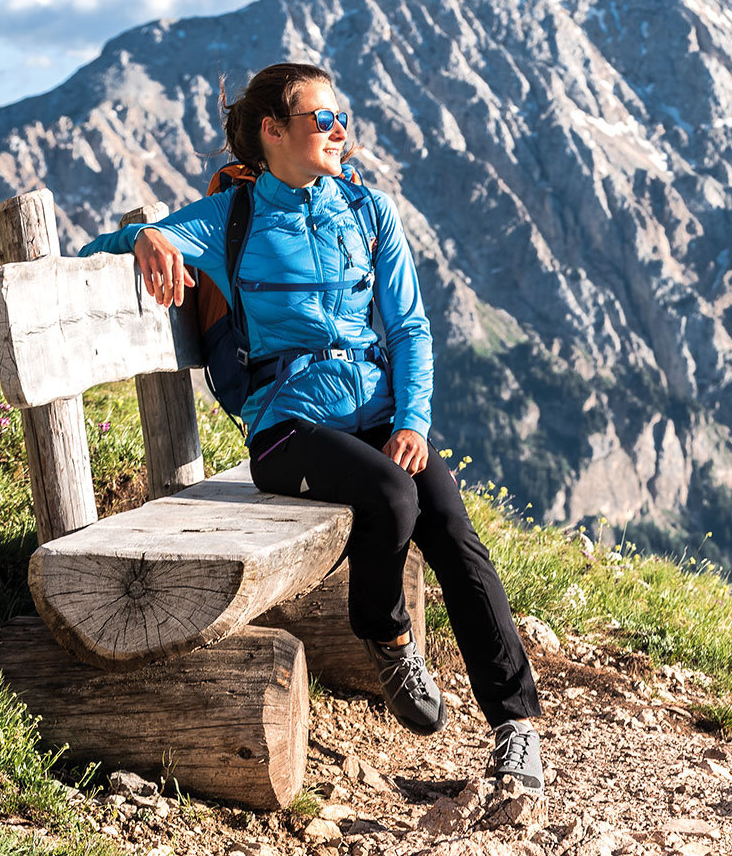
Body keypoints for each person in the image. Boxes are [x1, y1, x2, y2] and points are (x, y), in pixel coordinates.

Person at [80, 62, 543, 789]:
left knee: (451, 528)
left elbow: (411, 328)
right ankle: (385, 635)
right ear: (272, 130)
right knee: (392, 497)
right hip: (287, 431)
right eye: (322, 118)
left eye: (342, 117)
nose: (340, 130)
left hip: (380, 419)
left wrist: (413, 419)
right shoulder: (227, 220)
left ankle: (515, 730)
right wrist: (142, 240)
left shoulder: (367, 212)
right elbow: (93, 253)